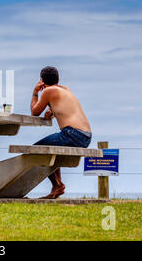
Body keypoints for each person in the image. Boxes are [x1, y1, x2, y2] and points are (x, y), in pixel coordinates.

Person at [30, 66, 92, 199]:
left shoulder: (48, 91)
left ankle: (57, 185)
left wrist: (35, 92)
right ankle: (57, 186)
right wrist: (51, 112)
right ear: (58, 79)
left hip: (73, 134)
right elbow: (63, 109)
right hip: (85, 136)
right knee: (50, 151)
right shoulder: (65, 90)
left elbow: (34, 112)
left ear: (41, 80)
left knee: (36, 150)